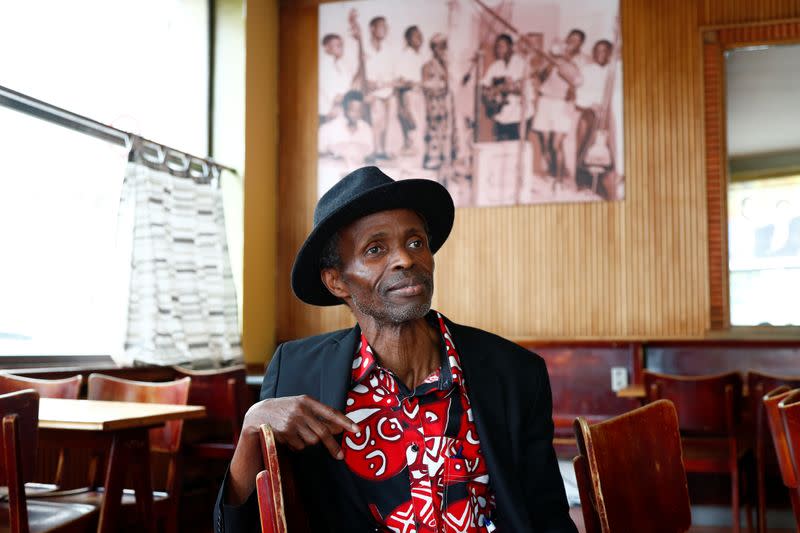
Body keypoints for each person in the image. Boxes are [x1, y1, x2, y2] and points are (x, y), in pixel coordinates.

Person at [213, 166, 577, 532]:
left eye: (416, 242)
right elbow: (237, 527)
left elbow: (548, 516)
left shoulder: (514, 372)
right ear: (337, 281)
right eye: (375, 249)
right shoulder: (297, 371)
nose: (406, 259)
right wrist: (251, 431)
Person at [532, 29, 584, 185]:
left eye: (577, 40)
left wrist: (565, 62)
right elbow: (540, 75)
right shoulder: (553, 53)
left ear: (580, 44)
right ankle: (552, 173)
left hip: (561, 103)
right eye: (571, 38)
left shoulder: (580, 60)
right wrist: (551, 60)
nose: (572, 42)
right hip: (545, 101)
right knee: (546, 142)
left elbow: (577, 81)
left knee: (556, 144)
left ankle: (561, 179)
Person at [574, 40, 613, 191]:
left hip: (609, 114)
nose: (599, 54)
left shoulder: (613, 70)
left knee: (606, 148)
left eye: (603, 50)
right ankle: (583, 182)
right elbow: (579, 93)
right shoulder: (586, 70)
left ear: (609, 53)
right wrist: (591, 105)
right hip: (589, 111)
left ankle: (602, 184)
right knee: (585, 145)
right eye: (596, 50)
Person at [480, 34, 533, 142]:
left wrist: (506, 89)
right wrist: (491, 94)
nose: (498, 50)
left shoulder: (522, 64)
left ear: (511, 47)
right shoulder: (495, 66)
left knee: (517, 150)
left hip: (519, 115)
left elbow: (526, 90)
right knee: (501, 150)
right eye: (497, 47)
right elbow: (484, 85)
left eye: (501, 47)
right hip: (501, 115)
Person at [421, 34, 458, 177]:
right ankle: (433, 159)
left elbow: (448, 86)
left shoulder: (446, 66)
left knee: (446, 132)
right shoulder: (427, 66)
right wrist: (437, 87)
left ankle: (446, 159)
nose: (443, 50)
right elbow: (426, 85)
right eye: (440, 46)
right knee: (434, 131)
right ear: (434, 48)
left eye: (444, 46)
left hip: (444, 104)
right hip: (433, 104)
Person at [363, 16, 395, 160]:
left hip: (388, 93)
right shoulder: (365, 49)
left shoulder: (388, 49)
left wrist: (385, 84)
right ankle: (375, 151)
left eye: (385, 26)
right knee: (376, 123)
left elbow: (392, 75)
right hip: (374, 94)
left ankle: (383, 151)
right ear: (372, 29)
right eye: (381, 26)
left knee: (387, 125)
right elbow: (366, 77)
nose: (385, 29)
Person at [318, 90, 374, 168]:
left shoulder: (366, 128)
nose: (357, 114)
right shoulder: (328, 128)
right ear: (345, 109)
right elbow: (319, 154)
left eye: (359, 111)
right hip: (334, 171)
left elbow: (369, 153)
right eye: (353, 110)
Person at [395, 25, 428, 157]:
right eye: (415, 36)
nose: (419, 38)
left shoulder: (421, 56)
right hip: (409, 95)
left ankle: (420, 155)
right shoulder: (405, 56)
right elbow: (400, 81)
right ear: (408, 39)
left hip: (421, 95)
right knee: (414, 126)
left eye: (420, 35)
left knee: (422, 126)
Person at [318, 33, 356, 124]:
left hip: (341, 111)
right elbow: (336, 98)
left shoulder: (341, 65)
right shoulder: (323, 66)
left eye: (342, 45)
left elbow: (351, 86)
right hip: (327, 115)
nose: (341, 48)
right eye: (338, 46)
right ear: (326, 48)